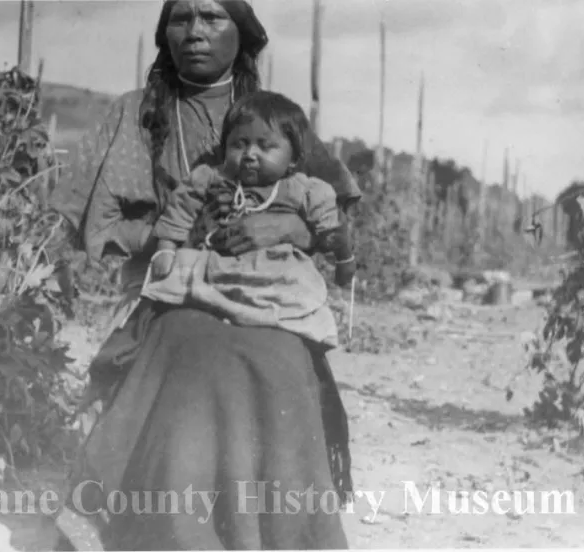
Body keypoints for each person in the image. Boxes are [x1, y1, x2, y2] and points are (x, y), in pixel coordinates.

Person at [47, 0, 362, 549]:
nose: (194, 32)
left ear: (243, 35)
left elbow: (330, 210)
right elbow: (101, 221)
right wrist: (189, 237)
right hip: (172, 290)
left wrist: (286, 232)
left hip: (271, 298)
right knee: (194, 352)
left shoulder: (272, 115)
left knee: (280, 361)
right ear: (164, 33)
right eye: (181, 18)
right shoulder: (133, 115)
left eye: (213, 17)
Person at [142, 90, 356, 349]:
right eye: (239, 144)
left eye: (266, 147)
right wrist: (165, 250)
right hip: (216, 265)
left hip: (274, 274)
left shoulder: (301, 189)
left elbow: (330, 224)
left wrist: (344, 260)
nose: (250, 154)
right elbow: (179, 211)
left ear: (293, 160)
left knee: (297, 301)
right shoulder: (210, 178)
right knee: (175, 288)